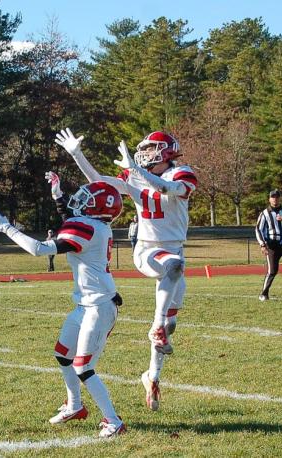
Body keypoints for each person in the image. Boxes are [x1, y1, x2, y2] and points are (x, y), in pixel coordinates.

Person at [56, 128, 197, 412]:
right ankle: (156, 327)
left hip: (173, 247)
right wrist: (77, 155)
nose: (144, 154)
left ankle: (152, 375)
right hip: (148, 249)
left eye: (150, 148)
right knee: (173, 268)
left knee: (171, 324)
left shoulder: (181, 172)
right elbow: (99, 183)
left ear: (166, 150)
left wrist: (136, 171)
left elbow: (167, 189)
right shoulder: (135, 174)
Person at [0, 178, 127, 438]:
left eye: (87, 200)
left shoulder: (89, 228)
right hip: (85, 305)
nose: (80, 201)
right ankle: (74, 406)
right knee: (63, 354)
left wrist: (7, 228)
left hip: (99, 307)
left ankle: (114, 421)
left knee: (83, 367)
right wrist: (58, 196)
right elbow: (70, 218)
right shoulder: (93, 225)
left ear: (98, 210)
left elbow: (39, 249)